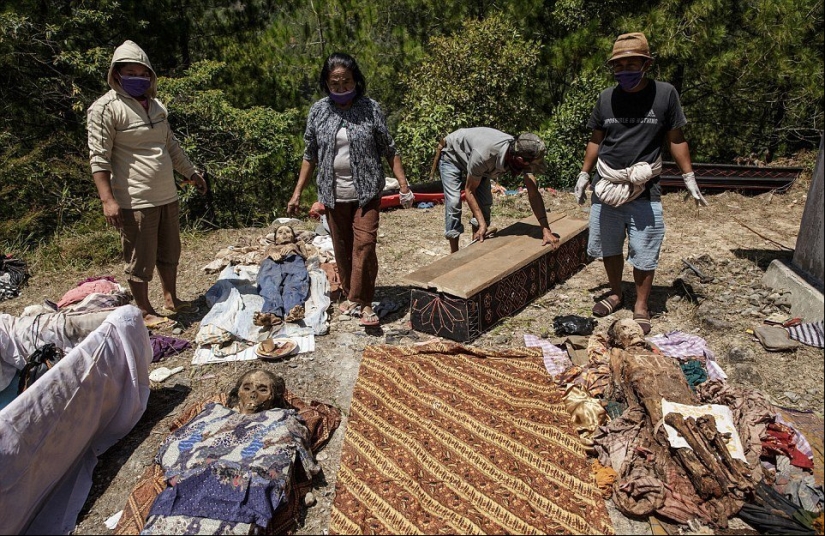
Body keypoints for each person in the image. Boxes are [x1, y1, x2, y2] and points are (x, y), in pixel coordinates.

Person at [573, 32, 707, 334]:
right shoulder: (606, 98)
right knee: (609, 245)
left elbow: (676, 138)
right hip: (607, 185)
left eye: (631, 64)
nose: (625, 71)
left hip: (644, 188)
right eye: (619, 66)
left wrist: (689, 177)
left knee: (644, 249)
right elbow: (596, 140)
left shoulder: (664, 95)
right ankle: (616, 293)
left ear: (646, 64)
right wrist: (584, 173)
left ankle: (642, 305)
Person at [87, 40, 208, 328]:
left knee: (170, 251)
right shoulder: (104, 109)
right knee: (140, 256)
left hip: (167, 193)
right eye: (130, 73)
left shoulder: (156, 107)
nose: (137, 79)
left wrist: (191, 173)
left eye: (143, 74)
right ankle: (143, 309)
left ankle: (172, 299)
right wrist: (108, 200)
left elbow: (171, 146)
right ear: (116, 74)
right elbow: (99, 158)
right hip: (135, 197)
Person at [287, 52, 413, 327]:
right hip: (333, 193)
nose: (341, 89)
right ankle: (350, 294)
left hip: (366, 191)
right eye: (335, 84)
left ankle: (364, 302)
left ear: (356, 80)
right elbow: (310, 154)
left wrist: (403, 184)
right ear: (327, 84)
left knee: (365, 244)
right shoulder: (319, 111)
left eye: (346, 82)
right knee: (342, 248)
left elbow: (388, 149)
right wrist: (298, 192)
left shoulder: (370, 108)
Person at [437, 128, 560, 253]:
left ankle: (475, 247)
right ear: (521, 160)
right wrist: (482, 223)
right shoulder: (485, 155)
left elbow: (533, 194)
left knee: (484, 204)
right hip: (452, 154)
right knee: (453, 202)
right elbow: (469, 191)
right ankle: (454, 254)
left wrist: (546, 230)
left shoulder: (519, 151)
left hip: (475, 157)